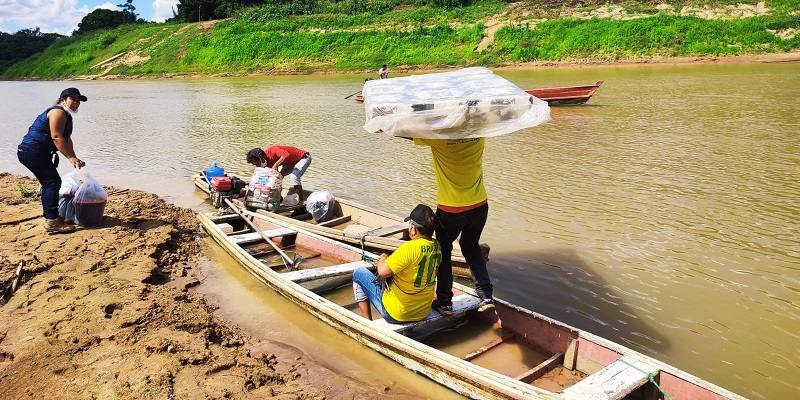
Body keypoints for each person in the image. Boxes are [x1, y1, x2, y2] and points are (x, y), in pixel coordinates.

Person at [411, 137, 494, 314]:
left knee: (444, 252)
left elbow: (405, 131)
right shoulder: (479, 136)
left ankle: (445, 302)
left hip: (450, 210)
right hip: (479, 205)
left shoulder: (438, 139)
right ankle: (486, 296)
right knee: (471, 246)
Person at [352, 204, 441, 323]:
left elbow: (382, 272)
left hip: (397, 314)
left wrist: (382, 258)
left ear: (413, 230)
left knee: (358, 273)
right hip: (422, 312)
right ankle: (409, 331)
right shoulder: (437, 246)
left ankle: (367, 322)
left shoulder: (409, 248)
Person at [18, 88, 88, 234]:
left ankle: (52, 217)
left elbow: (66, 139)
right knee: (52, 182)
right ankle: (52, 222)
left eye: (78, 100)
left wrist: (73, 157)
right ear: (63, 100)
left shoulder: (66, 115)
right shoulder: (58, 112)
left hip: (37, 152)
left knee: (51, 182)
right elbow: (56, 137)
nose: (76, 103)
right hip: (31, 151)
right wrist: (69, 157)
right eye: (73, 99)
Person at [246, 145, 311, 201]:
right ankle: (279, 198)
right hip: (289, 164)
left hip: (303, 158)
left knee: (294, 177)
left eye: (257, 163)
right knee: (275, 179)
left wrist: (276, 164)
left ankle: (300, 204)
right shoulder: (264, 164)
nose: (257, 166)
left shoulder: (273, 150)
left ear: (261, 158)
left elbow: (286, 154)